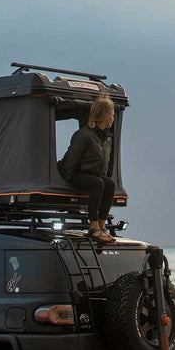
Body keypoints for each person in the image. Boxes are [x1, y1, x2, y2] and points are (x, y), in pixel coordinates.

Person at [58, 96, 117, 244]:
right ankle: (93, 226)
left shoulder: (106, 137)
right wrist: (66, 180)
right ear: (105, 116)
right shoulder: (84, 135)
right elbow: (71, 160)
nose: (113, 117)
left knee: (109, 183)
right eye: (111, 113)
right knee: (98, 184)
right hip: (76, 174)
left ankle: (102, 226)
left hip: (93, 176)